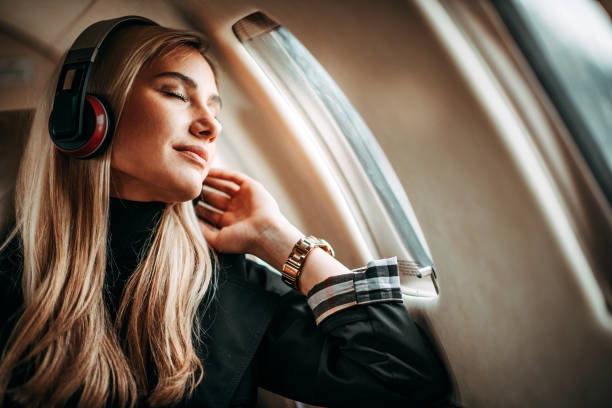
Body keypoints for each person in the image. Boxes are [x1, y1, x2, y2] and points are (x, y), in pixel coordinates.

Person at [0, 18, 450, 407]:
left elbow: (402, 377)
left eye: (214, 108)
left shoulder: (224, 283)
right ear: (83, 115)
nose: (210, 125)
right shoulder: (10, 269)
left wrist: (281, 241)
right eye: (177, 94)